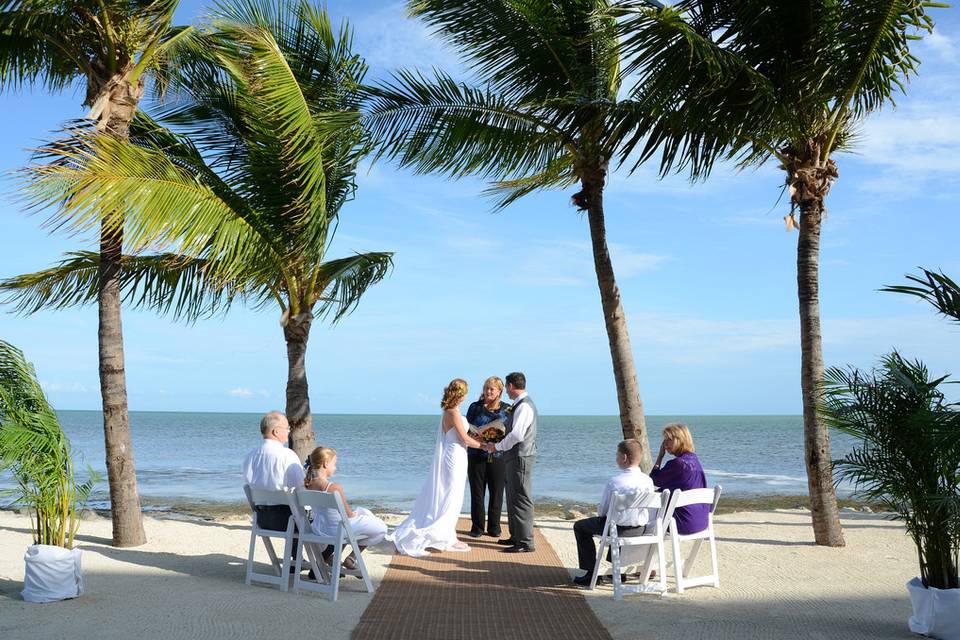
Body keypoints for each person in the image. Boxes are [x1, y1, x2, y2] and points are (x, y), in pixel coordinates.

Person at [387, 378, 484, 556]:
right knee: (451, 495)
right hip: (455, 455)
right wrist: (485, 446)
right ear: (461, 394)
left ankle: (448, 532)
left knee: (452, 495)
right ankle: (442, 534)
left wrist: (479, 437)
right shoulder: (453, 412)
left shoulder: (449, 411)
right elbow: (463, 438)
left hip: (456, 454)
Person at [572, 439, 655, 586]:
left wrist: (601, 512)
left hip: (617, 530)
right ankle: (618, 570)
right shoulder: (648, 481)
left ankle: (591, 573)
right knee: (619, 519)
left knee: (580, 526)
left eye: (617, 455)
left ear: (624, 458)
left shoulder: (615, 482)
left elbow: (603, 510)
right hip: (639, 529)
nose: (616, 458)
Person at [304, 446, 388, 569]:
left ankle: (333, 557)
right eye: (334, 464)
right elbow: (349, 515)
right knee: (381, 528)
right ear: (326, 464)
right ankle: (352, 557)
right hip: (337, 531)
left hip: (320, 529)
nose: (335, 467)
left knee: (361, 514)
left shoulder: (307, 486)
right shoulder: (333, 487)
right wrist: (358, 515)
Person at [483, 371, 537, 553]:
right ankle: (516, 536)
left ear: (511, 386)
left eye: (506, 387)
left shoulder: (524, 407)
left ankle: (525, 542)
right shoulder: (519, 405)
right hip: (514, 456)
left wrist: (497, 447)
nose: (506, 390)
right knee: (513, 497)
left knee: (521, 498)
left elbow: (517, 434)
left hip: (521, 456)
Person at [241, 411, 305, 532]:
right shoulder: (287, 455)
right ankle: (323, 551)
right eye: (287, 428)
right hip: (287, 520)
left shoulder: (250, 456)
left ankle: (294, 552)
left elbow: (249, 482)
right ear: (276, 431)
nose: (289, 431)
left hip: (262, 519)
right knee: (325, 520)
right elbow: (300, 488)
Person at [465, 376, 510, 538]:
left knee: (497, 493)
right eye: (486, 388)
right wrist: (477, 435)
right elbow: (466, 428)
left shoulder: (507, 409)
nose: (488, 392)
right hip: (476, 454)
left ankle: (494, 527)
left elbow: (509, 431)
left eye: (492, 389)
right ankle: (477, 527)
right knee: (477, 493)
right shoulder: (474, 407)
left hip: (498, 455)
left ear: (499, 391)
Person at [650, 423, 709, 535]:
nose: (665, 444)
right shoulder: (694, 460)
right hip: (701, 522)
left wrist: (660, 456)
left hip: (682, 524)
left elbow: (654, 479)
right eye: (664, 441)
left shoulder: (677, 463)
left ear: (680, 440)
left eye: (669, 440)